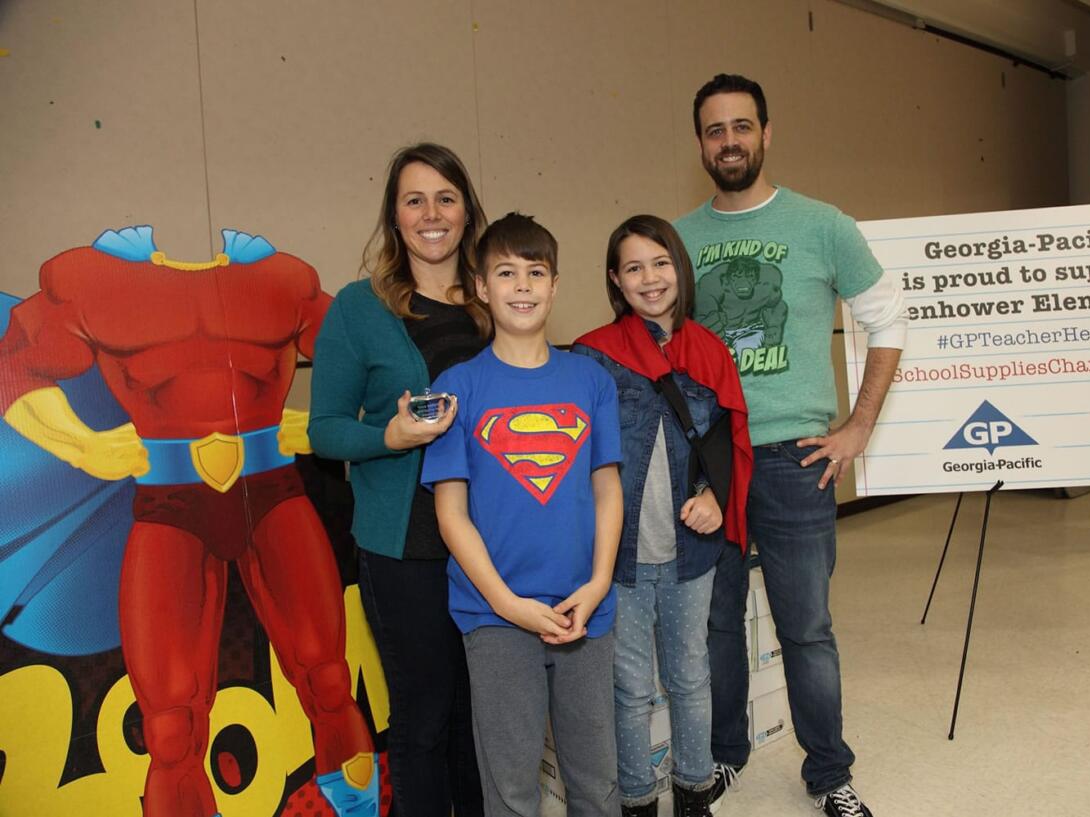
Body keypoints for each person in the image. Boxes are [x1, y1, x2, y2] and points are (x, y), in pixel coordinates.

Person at [0, 225, 376, 817]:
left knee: (329, 683)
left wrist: (325, 422)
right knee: (171, 729)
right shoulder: (92, 282)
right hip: (169, 505)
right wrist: (81, 446)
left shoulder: (282, 281)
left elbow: (376, 359)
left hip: (273, 493)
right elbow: (16, 370)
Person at [674, 74, 907, 817]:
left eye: (743, 126)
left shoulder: (823, 224)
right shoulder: (679, 239)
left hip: (795, 458)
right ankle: (724, 756)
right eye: (716, 130)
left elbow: (889, 321)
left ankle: (829, 772)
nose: (730, 140)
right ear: (700, 144)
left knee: (805, 627)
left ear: (767, 134)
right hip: (709, 461)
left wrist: (859, 423)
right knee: (715, 625)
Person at [308, 143, 488, 817]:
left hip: (495, 541)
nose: (431, 213)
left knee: (485, 713)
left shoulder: (497, 298)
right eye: (414, 199)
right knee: (426, 713)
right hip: (404, 544)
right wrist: (388, 437)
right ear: (394, 215)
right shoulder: (359, 308)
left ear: (468, 211)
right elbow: (325, 427)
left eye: (446, 197)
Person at [424, 213, 623, 817]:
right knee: (510, 786)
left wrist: (599, 582)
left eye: (536, 272)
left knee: (596, 779)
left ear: (555, 284)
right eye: (506, 273)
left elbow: (608, 490)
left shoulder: (590, 380)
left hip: (584, 608)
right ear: (481, 287)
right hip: (495, 616)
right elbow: (451, 514)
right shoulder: (458, 386)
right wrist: (507, 604)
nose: (522, 286)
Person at [572, 215, 754, 817]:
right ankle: (637, 801)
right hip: (617, 558)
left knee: (690, 678)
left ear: (680, 267)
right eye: (633, 267)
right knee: (628, 689)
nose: (650, 278)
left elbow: (729, 438)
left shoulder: (709, 351)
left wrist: (715, 496)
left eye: (660, 262)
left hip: (689, 554)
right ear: (615, 280)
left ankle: (695, 792)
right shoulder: (592, 356)